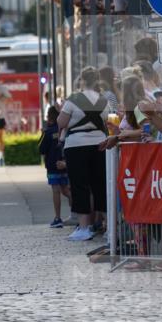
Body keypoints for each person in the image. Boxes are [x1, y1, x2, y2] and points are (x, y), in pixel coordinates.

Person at [57, 66, 109, 242]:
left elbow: (61, 122)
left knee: (80, 186)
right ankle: (108, 226)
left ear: (82, 80)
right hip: (100, 144)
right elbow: (108, 121)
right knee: (100, 184)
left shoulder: (73, 99)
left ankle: (84, 227)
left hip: (76, 145)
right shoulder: (103, 100)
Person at [39, 106, 71, 229]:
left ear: (49, 117)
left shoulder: (47, 132)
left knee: (56, 190)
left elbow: (41, 149)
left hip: (52, 165)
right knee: (66, 190)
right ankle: (75, 214)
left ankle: (57, 218)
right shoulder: (65, 130)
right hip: (65, 163)